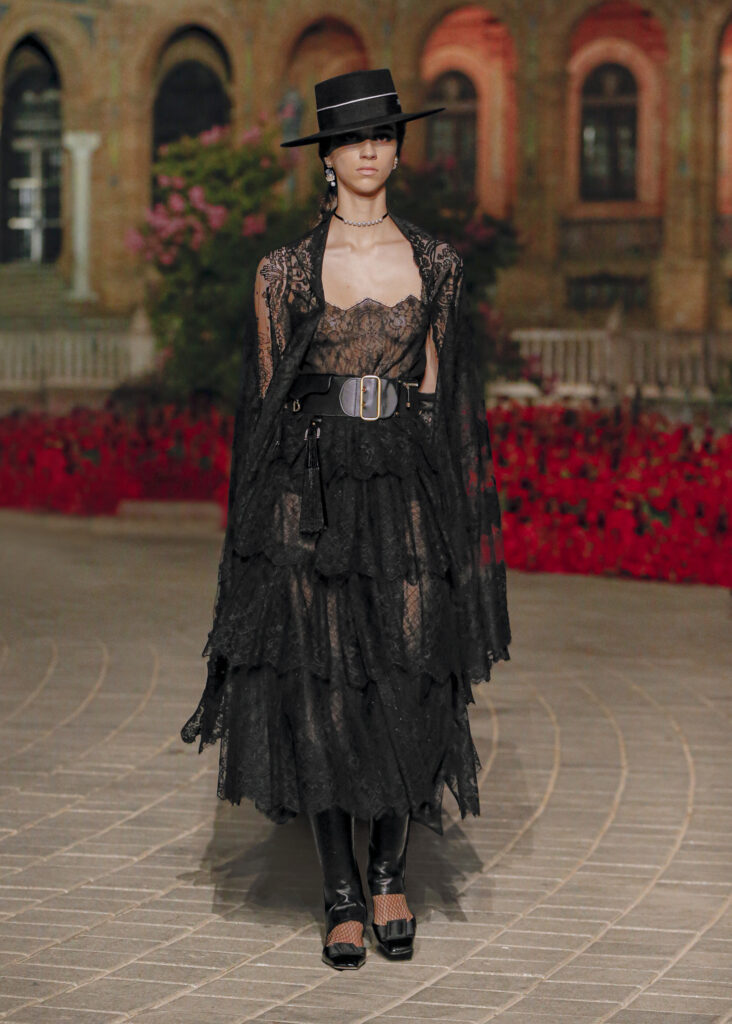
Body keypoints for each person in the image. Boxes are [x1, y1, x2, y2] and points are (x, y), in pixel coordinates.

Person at [181, 68, 511, 971]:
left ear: (398, 150)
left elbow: (445, 396)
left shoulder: (438, 264)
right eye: (352, 137)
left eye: (383, 134)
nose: (369, 149)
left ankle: (391, 872)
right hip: (313, 492)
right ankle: (340, 891)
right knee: (322, 686)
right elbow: (264, 404)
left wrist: (450, 516)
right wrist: (261, 530)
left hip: (406, 486)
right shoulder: (283, 270)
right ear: (327, 155)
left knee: (408, 671)